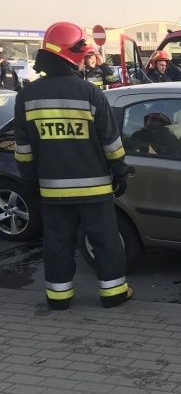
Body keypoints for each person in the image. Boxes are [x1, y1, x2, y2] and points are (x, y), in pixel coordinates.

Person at [13, 21, 133, 310]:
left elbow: (24, 150)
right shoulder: (90, 93)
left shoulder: (26, 96)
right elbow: (111, 142)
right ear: (75, 54)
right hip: (95, 188)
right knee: (105, 241)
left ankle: (59, 297)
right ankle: (113, 293)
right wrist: (120, 172)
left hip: (52, 190)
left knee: (57, 243)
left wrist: (31, 182)